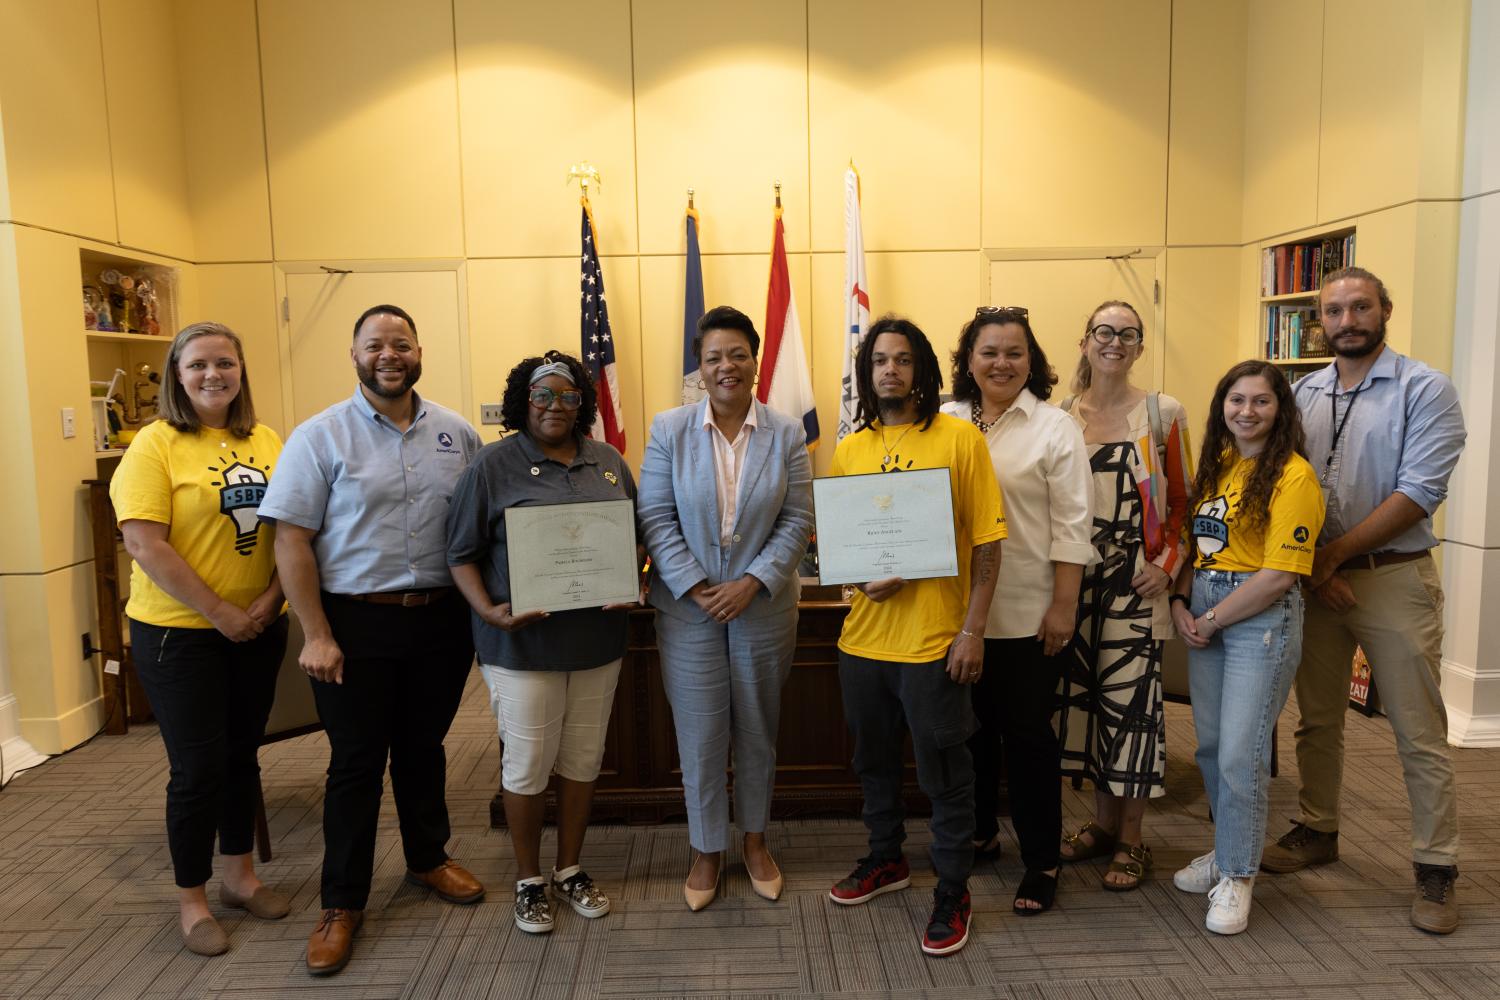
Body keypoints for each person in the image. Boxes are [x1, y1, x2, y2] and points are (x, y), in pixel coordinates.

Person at [258, 304, 484, 975]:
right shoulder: (318, 437)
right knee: (356, 763)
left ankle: (427, 860)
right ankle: (341, 902)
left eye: (402, 343)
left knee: (423, 749)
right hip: (354, 624)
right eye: (375, 345)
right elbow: (291, 540)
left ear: (420, 352)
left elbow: (479, 527)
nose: (390, 355)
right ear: (354, 355)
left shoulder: (457, 434)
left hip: (441, 622)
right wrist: (316, 634)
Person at [1260, 267, 1466, 935]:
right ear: (1319, 319)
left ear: (1385, 310)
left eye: (1360, 307)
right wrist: (1315, 570)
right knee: (1317, 719)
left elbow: (1418, 493)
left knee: (1417, 729)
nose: (1348, 320)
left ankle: (1436, 866)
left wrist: (1330, 558)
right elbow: (1284, 484)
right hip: (1318, 580)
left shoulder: (1425, 389)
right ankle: (1318, 827)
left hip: (1392, 577)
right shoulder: (1303, 393)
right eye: (1334, 310)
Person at [825, 315, 1006, 957]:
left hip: (933, 644)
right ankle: (886, 860)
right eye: (879, 361)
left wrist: (973, 632)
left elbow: (988, 542)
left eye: (902, 360)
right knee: (872, 766)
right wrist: (859, 577)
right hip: (862, 645)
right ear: (867, 373)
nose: (890, 371)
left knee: (945, 776)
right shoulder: (849, 451)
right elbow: (849, 547)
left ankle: (953, 890)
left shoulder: (960, 440)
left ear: (921, 370)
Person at [110, 321, 289, 956]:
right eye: (198, 366)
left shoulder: (265, 438)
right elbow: (144, 544)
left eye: (225, 363)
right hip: (179, 634)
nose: (213, 375)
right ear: (176, 376)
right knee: (197, 769)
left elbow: (289, 530)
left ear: (241, 371)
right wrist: (218, 611)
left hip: (258, 627)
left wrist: (271, 601)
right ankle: (193, 899)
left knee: (242, 755)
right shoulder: (153, 445)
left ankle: (240, 877)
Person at [447, 351, 638, 934]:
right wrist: (488, 612)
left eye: (568, 396)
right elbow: (460, 555)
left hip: (597, 643)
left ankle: (569, 868)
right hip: (521, 648)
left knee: (583, 762)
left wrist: (631, 580)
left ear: (583, 403)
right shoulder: (492, 465)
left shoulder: (607, 461)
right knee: (528, 764)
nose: (555, 406)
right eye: (543, 396)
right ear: (522, 402)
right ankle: (530, 879)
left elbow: (631, 538)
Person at [638, 306, 814, 911]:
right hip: (688, 611)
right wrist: (694, 585)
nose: (726, 366)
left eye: (737, 354)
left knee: (758, 730)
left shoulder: (787, 433)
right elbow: (655, 517)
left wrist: (754, 582)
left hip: (763, 609)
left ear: (755, 359)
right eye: (713, 356)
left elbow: (798, 520)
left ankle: (756, 842)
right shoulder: (669, 429)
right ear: (701, 366)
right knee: (701, 733)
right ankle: (707, 849)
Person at [939, 306, 1091, 915]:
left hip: (1030, 616)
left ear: (1033, 361)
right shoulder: (943, 421)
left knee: (1027, 741)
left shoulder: (1055, 428)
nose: (1002, 363)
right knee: (967, 738)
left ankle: (1042, 861)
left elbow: (1074, 527)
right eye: (989, 352)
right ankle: (979, 834)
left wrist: (1063, 606)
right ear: (967, 361)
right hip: (954, 615)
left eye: (1014, 353)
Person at [1169, 360, 1324, 935]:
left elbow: (1279, 576)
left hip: (1257, 617)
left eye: (1261, 401)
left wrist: (1208, 617)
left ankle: (1237, 873)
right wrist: (1183, 604)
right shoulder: (1222, 465)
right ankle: (1227, 845)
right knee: (1210, 747)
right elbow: (1196, 546)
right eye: (1236, 400)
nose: (1247, 412)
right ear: (1222, 407)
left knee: (1242, 752)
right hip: (1206, 608)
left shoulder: (1294, 476)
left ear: (1280, 409)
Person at [1055, 299, 1192, 890]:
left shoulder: (1162, 414)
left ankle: (1133, 842)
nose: (1115, 342)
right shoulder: (1060, 417)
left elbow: (1184, 502)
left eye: (1128, 334)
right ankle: (1102, 826)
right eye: (1104, 332)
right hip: (1070, 583)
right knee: (1082, 707)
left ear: (1139, 347)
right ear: (1085, 341)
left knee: (1132, 712)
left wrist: (1167, 565)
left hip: (1134, 586)